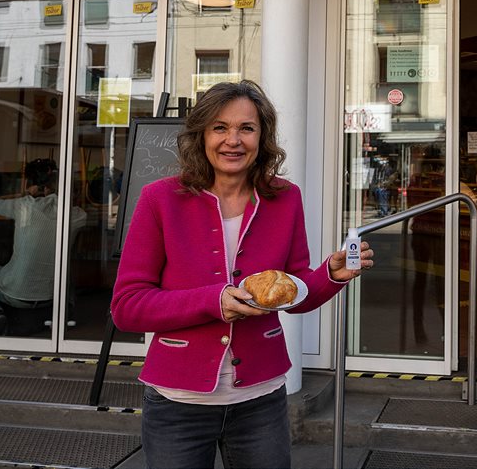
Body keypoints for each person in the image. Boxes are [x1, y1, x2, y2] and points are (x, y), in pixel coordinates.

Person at [112, 80, 374, 469]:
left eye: (246, 128)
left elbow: (294, 291)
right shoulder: (159, 199)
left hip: (260, 401)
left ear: (262, 137)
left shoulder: (285, 197)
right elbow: (127, 307)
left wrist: (330, 276)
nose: (232, 140)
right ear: (200, 134)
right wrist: (213, 301)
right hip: (177, 404)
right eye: (220, 127)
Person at [0, 157, 85, 336]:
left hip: (16, 292)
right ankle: (65, 312)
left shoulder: (23, 206)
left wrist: (25, 195)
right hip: (52, 294)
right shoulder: (79, 216)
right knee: (64, 269)